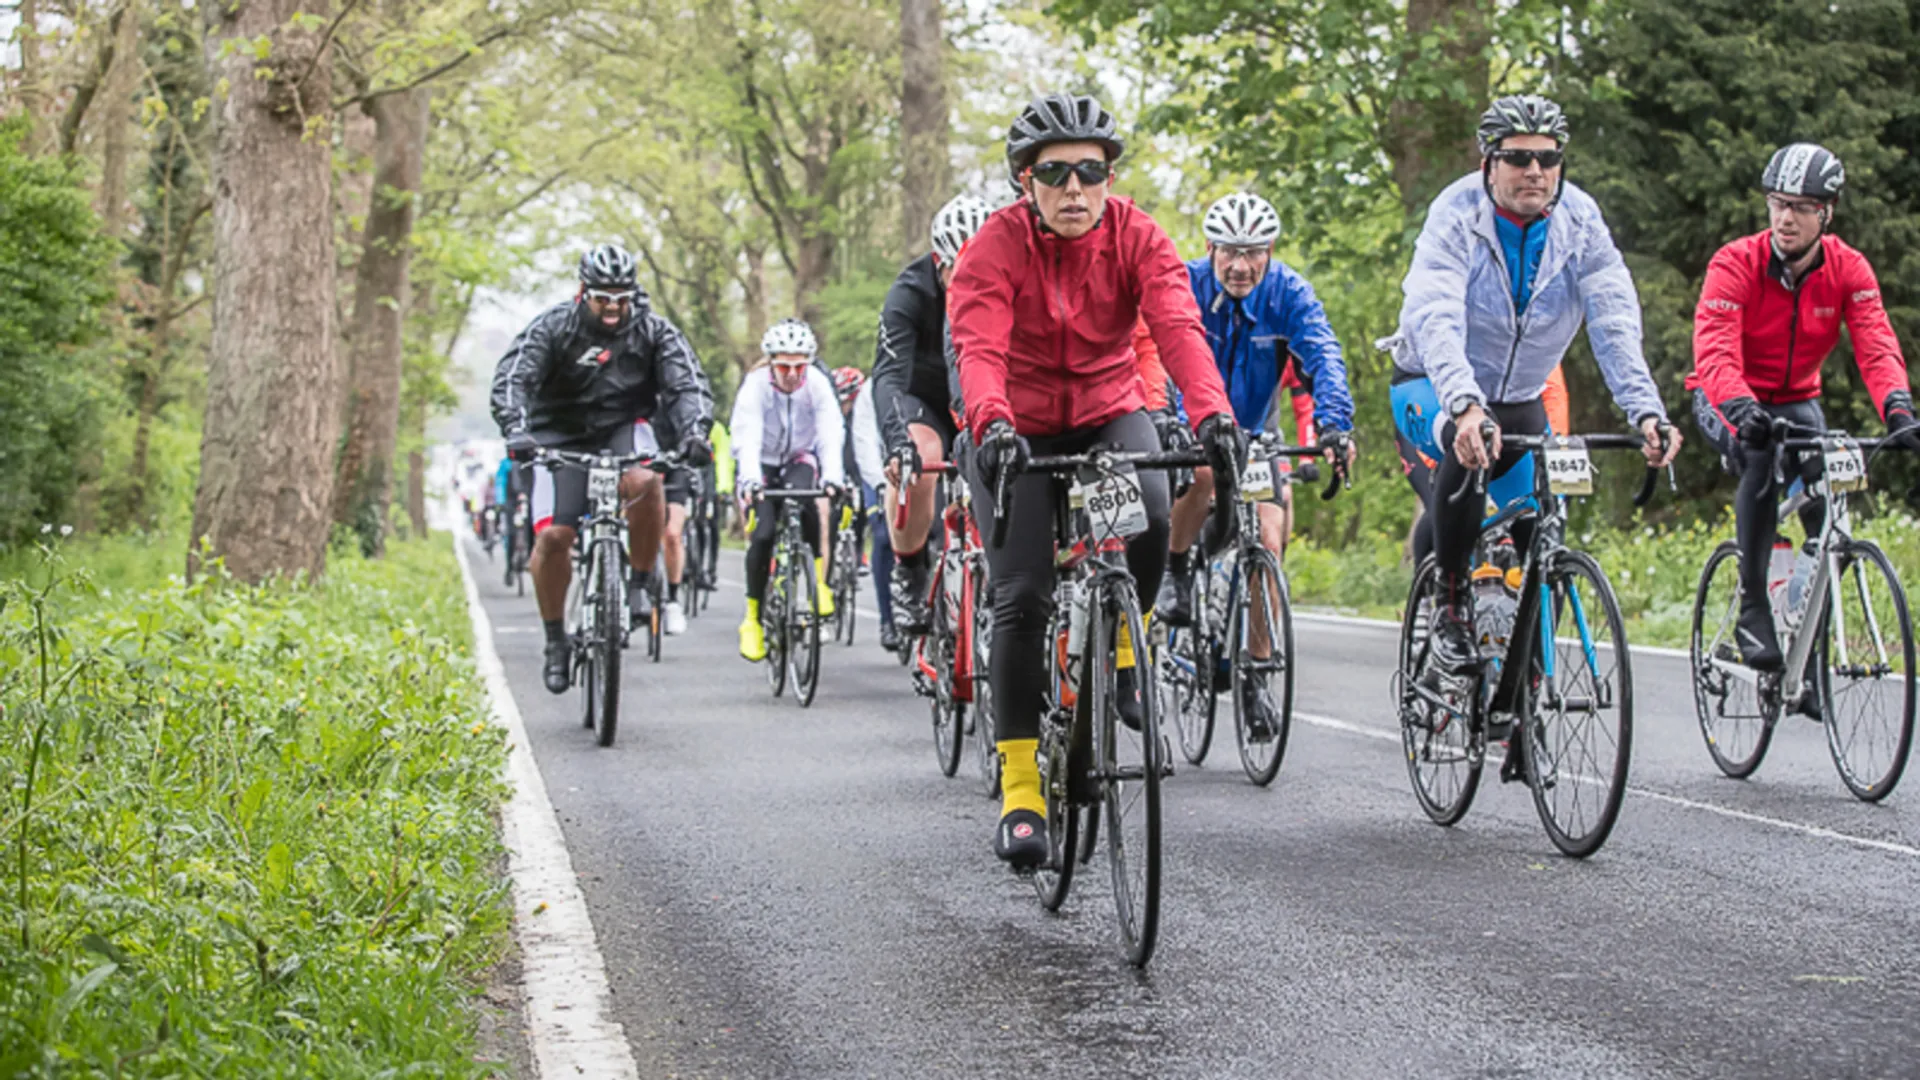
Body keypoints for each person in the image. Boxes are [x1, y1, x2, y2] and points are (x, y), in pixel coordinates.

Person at [949, 92, 1241, 867]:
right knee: (1021, 595)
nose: (1075, 188)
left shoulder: (1138, 235)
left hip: (1110, 410)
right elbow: (978, 345)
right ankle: (1019, 788)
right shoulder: (995, 247)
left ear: (1109, 175)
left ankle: (1121, 651)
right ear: (1025, 181)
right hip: (1017, 422)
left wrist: (1212, 414)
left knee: (1150, 506)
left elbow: (1178, 327)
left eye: (1091, 171)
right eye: (1055, 174)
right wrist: (992, 424)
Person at [1379, 94, 1680, 678]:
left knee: (1539, 524)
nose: (1534, 172)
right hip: (1430, 384)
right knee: (1464, 461)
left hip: (1519, 398)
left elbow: (1614, 319)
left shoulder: (1581, 220)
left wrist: (1646, 411)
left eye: (1548, 158)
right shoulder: (1456, 212)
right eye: (1518, 158)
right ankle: (1449, 607)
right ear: (1489, 162)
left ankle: (1525, 681)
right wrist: (1463, 404)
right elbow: (1435, 312)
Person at [1686, 142, 1916, 672]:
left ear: (1825, 213)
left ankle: (1808, 643)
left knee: (1826, 503)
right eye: (1777, 203)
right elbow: (1715, 349)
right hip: (1726, 395)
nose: (1786, 218)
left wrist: (1898, 409)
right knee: (1761, 463)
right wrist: (1742, 411)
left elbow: (1876, 344)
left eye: (1801, 207)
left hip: (1797, 399)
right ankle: (1753, 604)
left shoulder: (1849, 269)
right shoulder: (1735, 262)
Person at [491, 243, 714, 694]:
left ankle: (636, 584)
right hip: (557, 434)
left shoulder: (654, 331)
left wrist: (695, 430)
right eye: (602, 297)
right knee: (556, 536)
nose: (613, 307)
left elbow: (687, 383)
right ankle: (556, 639)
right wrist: (516, 428)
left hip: (622, 427)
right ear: (582, 292)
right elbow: (515, 377)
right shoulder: (553, 327)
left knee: (646, 478)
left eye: (621, 297)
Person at [1155, 191, 1358, 632]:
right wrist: (1170, 419)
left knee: (1268, 539)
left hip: (1256, 426)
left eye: (1253, 253)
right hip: (1190, 417)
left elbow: (1324, 354)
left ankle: (1258, 673)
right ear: (1210, 249)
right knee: (1204, 475)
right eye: (1229, 252)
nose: (1240, 266)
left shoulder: (1288, 292)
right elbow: (1157, 352)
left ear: (1270, 251)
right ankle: (1176, 570)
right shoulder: (1185, 283)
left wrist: (1335, 425)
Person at [874, 193, 994, 633]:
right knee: (921, 460)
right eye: (962, 273)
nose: (972, 284)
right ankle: (908, 569)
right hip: (923, 396)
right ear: (939, 265)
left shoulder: (1010, 284)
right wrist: (896, 443)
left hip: (983, 392)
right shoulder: (909, 292)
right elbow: (887, 375)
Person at [732, 319, 846, 661]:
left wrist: (833, 477)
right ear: (771, 363)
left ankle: (820, 584)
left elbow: (830, 431)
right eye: (784, 366)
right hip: (763, 463)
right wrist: (750, 479)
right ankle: (752, 617)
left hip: (800, 456)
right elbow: (746, 434)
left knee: (807, 500)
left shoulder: (818, 385)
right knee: (764, 534)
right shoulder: (755, 386)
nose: (793, 373)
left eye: (800, 366)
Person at [848, 372, 902, 651]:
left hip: (920, 466)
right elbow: (864, 441)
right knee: (883, 536)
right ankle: (887, 619)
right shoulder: (872, 390)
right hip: (879, 471)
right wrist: (881, 484)